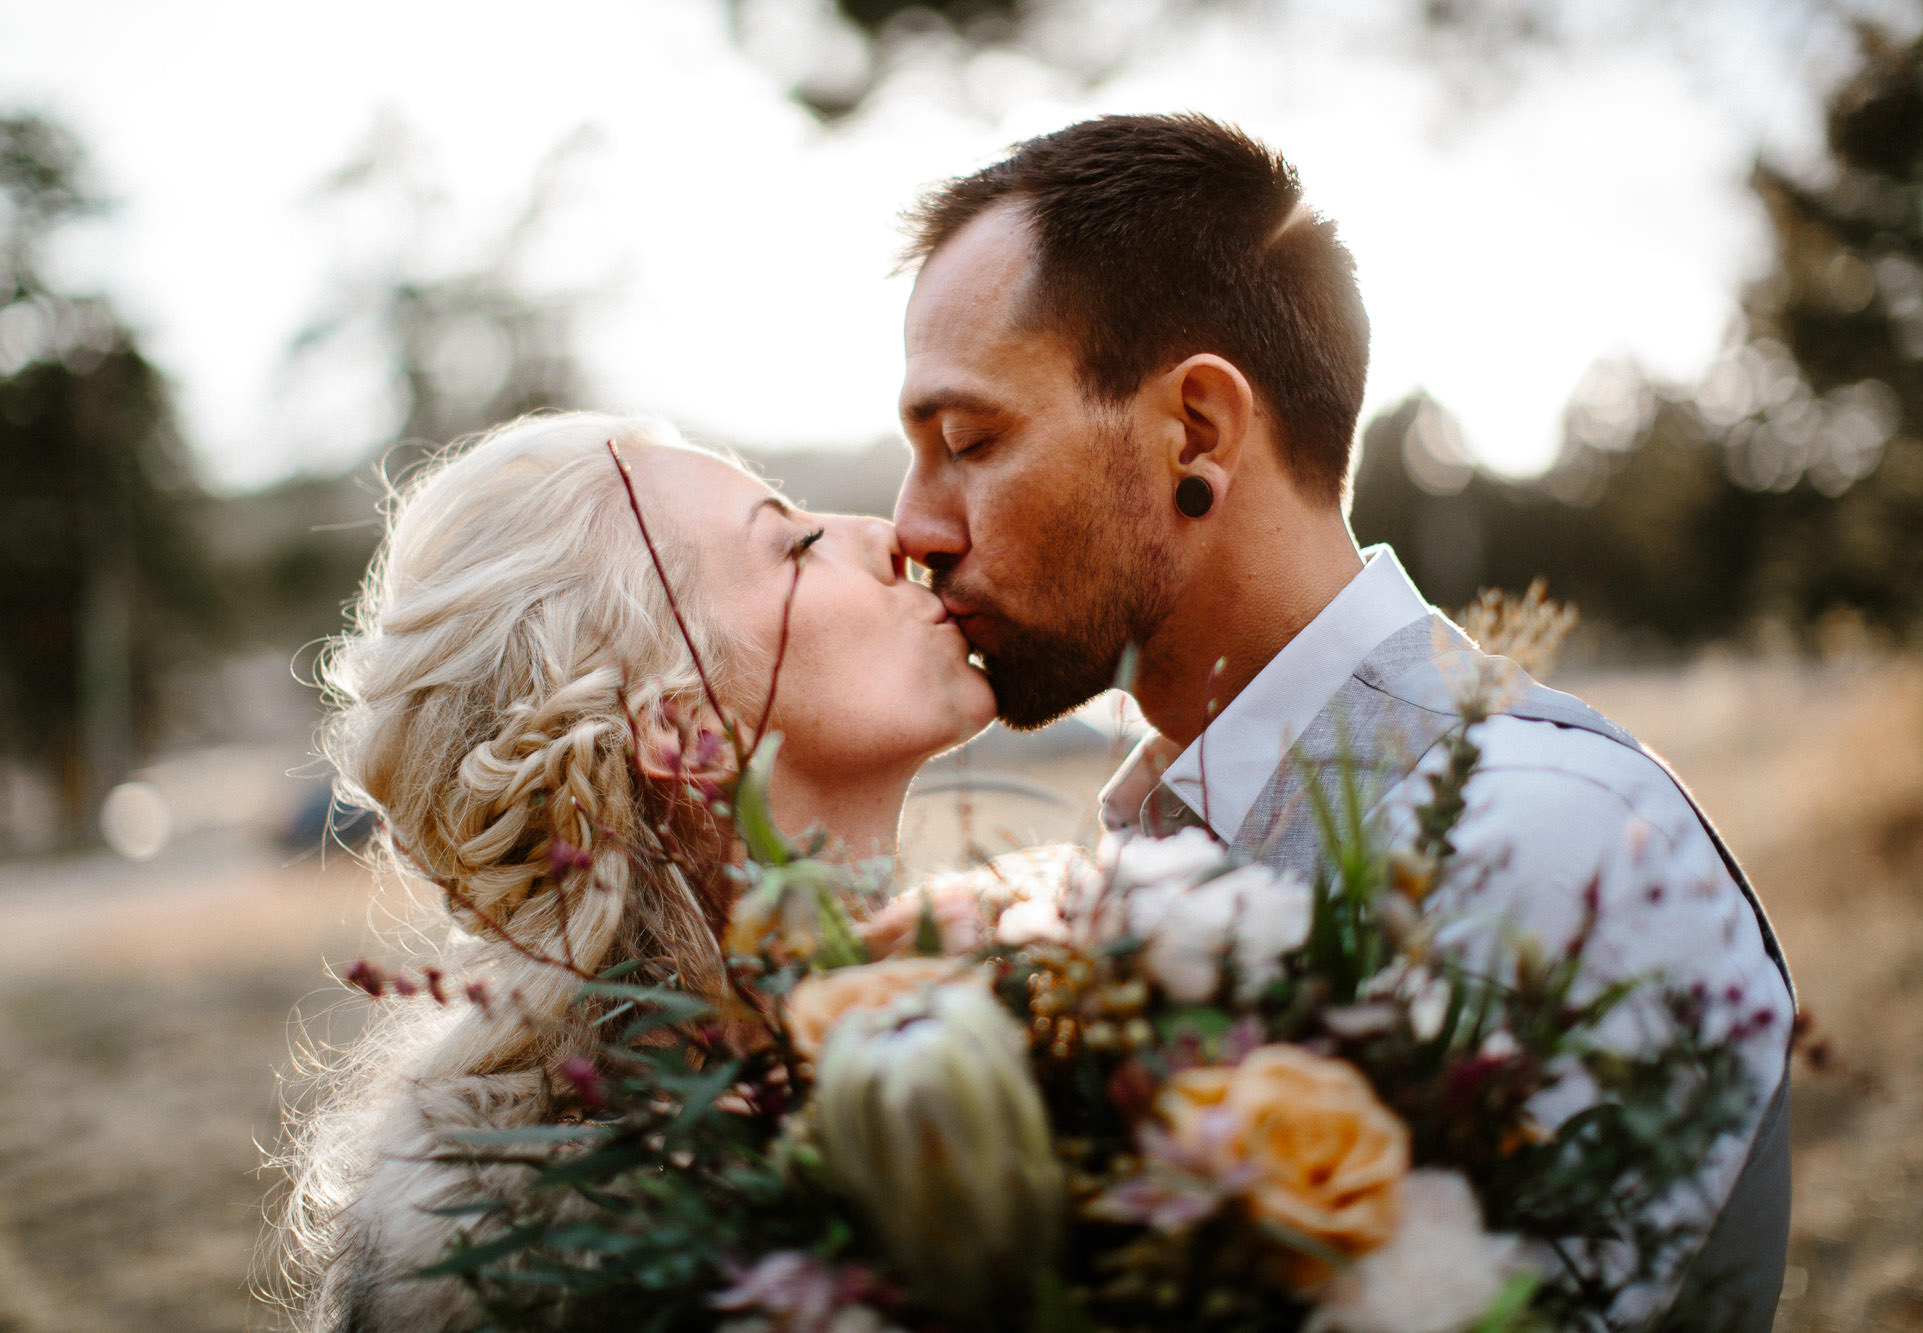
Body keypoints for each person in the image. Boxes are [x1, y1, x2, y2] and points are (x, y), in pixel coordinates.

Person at [891, 113, 1795, 1329]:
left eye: (967, 441)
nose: (913, 527)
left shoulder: (1536, 838)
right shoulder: (1164, 830)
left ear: (1195, 432)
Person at [278, 411, 994, 1331]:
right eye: (797, 543)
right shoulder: (591, 1277)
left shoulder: (1031, 1005)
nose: (888, 535)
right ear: (682, 730)